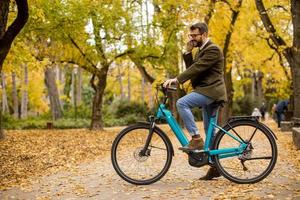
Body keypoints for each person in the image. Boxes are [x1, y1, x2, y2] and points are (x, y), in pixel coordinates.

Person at [163, 22, 227, 180]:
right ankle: (215, 166)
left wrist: (177, 80)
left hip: (211, 90)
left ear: (204, 34)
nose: (191, 38)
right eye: (190, 35)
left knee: (181, 103)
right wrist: (187, 52)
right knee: (209, 129)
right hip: (207, 90)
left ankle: (196, 139)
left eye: (194, 35)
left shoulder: (213, 49)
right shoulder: (200, 50)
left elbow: (196, 69)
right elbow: (193, 68)